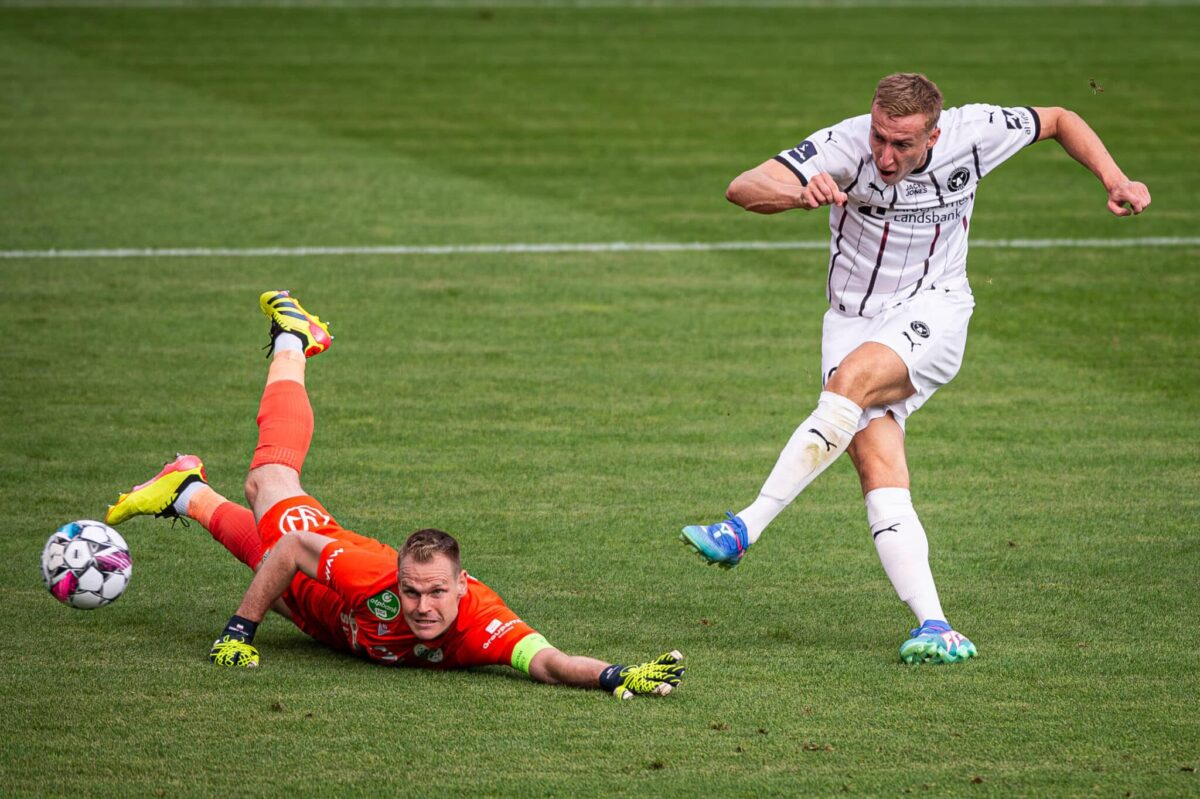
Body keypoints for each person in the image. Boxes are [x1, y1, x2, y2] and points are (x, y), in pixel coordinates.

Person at [681, 73, 1151, 664]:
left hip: (936, 308)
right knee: (876, 464)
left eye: (901, 144)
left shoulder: (975, 133)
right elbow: (744, 186)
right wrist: (793, 194)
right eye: (879, 136)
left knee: (849, 383)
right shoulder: (846, 145)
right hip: (852, 319)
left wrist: (1115, 178)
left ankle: (742, 528)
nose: (884, 155)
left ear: (934, 133)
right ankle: (935, 625)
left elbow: (1057, 118)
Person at [107, 290, 685, 698]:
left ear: (463, 584)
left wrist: (614, 674)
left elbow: (553, 664)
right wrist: (240, 630)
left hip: (321, 623)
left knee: (263, 544)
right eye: (412, 591)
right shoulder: (368, 572)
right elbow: (292, 553)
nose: (423, 606)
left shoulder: (484, 623)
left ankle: (186, 490)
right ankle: (293, 340)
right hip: (319, 580)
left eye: (436, 592)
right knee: (269, 483)